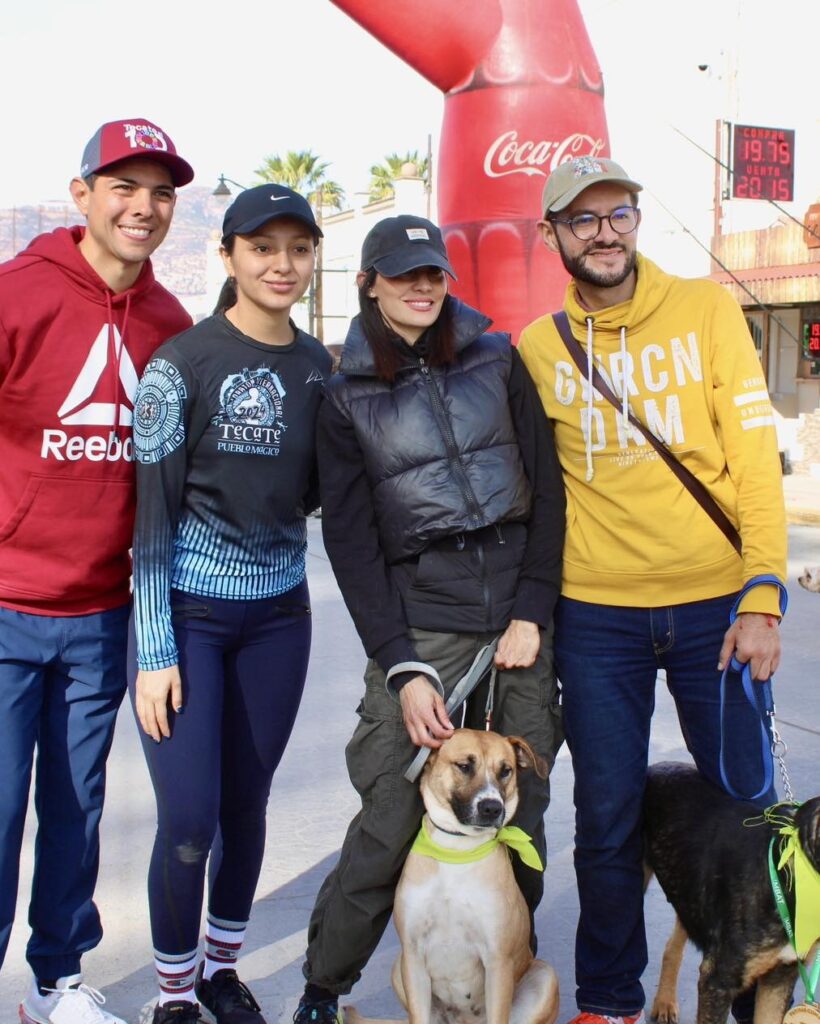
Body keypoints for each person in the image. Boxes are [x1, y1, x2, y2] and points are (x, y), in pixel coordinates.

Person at [517, 156, 788, 1024]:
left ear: (637, 220)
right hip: (597, 617)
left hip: (717, 606)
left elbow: (753, 465)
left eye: (619, 214)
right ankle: (608, 1001)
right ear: (553, 234)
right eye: (583, 219)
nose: (604, 232)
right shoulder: (536, 349)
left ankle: (766, 997)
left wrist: (761, 597)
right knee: (606, 821)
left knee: (750, 813)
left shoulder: (708, 310)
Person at [293, 214, 566, 1024]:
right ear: (369, 283)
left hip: (516, 618)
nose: (422, 286)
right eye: (404, 273)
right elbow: (348, 537)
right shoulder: (344, 395)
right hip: (425, 625)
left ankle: (499, 976)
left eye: (435, 273)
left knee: (522, 815)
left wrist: (532, 610)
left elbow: (547, 489)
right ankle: (322, 987)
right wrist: (402, 663)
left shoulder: (496, 356)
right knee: (388, 811)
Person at [0, 117, 193, 1024]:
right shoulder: (17, 294)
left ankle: (56, 981)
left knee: (76, 806)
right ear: (82, 196)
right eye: (124, 187)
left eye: (160, 192)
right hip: (5, 603)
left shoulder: (167, 322)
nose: (143, 208)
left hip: (102, 613)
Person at [131, 183, 332, 1024]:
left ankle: (221, 971)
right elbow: (150, 521)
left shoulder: (324, 368)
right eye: (262, 248)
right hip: (191, 618)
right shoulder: (179, 366)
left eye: (297, 248)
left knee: (248, 808)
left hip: (280, 619)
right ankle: (174, 993)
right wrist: (153, 650)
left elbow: (326, 496)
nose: (281, 264)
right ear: (229, 257)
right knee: (189, 821)